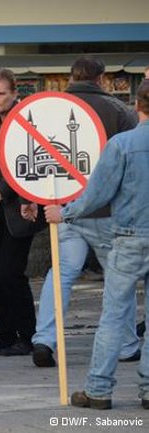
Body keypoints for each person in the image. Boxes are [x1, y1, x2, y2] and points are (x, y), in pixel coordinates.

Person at [44, 80, 149, 410]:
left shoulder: (122, 145)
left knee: (114, 315)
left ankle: (99, 390)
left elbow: (97, 194)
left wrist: (66, 213)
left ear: (137, 105)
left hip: (129, 238)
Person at [31, 56, 139, 368]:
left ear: (72, 77)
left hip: (65, 207)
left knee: (61, 273)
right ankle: (127, 344)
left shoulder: (53, 107)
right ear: (101, 79)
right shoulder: (120, 111)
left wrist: (35, 197)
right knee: (120, 278)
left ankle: (45, 339)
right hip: (107, 211)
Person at [0, 68, 44, 357]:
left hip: (18, 210)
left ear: (15, 93)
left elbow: (27, 161)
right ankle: (4, 334)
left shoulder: (23, 120)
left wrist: (2, 190)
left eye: (0, 93)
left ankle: (27, 336)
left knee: (11, 273)